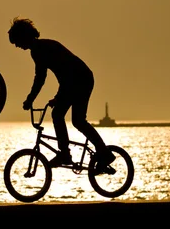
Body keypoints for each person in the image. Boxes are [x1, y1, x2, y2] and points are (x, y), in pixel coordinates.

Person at [7, 16, 116, 173]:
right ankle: (90, 153)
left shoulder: (40, 49)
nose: (17, 46)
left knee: (68, 117)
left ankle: (77, 154)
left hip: (80, 79)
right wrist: (58, 97)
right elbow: (59, 76)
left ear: (24, 36)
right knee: (68, 117)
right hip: (77, 80)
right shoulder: (40, 48)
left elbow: (45, 77)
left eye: (16, 41)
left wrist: (30, 99)